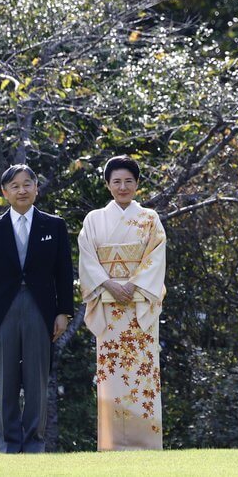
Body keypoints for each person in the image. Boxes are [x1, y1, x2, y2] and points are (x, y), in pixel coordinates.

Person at [0, 164, 74, 453]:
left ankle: (34, 445)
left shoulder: (54, 225)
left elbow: (64, 272)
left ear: (36, 188)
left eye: (27, 184)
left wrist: (64, 312)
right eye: (15, 186)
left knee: (37, 381)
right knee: (5, 381)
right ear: (5, 192)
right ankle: (8, 445)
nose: (22, 190)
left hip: (41, 310)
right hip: (2, 312)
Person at [78, 155, 167, 450]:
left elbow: (156, 257)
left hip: (139, 307)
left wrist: (132, 284)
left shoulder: (150, 219)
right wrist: (109, 284)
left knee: (142, 375)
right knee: (112, 377)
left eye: (129, 181)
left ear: (137, 183)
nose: (123, 186)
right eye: (116, 181)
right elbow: (87, 258)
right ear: (107, 185)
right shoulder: (94, 219)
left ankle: (147, 443)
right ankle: (113, 444)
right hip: (109, 307)